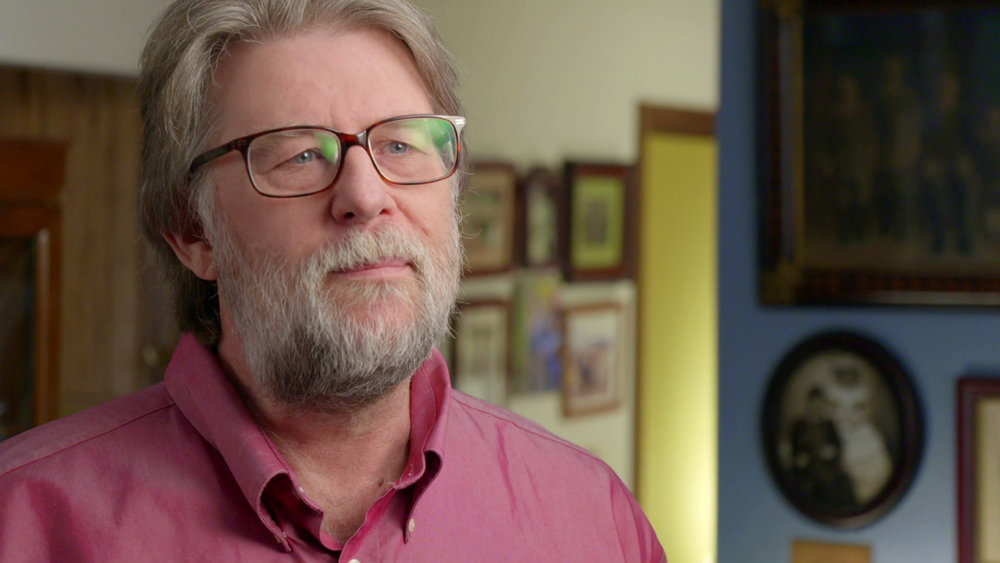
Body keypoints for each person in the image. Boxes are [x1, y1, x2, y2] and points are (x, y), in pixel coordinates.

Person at [0, 1, 665, 561]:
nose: (366, 196)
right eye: (299, 154)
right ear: (192, 231)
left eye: (401, 145)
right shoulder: (24, 522)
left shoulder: (595, 519)